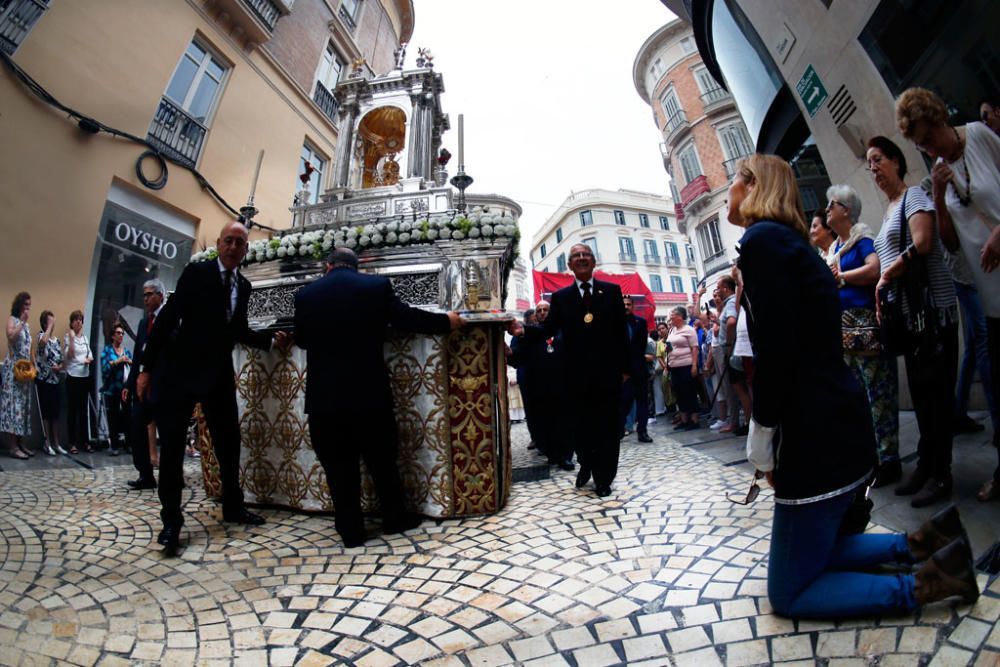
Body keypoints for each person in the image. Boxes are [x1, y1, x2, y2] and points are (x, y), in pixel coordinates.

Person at [732, 153, 978, 618]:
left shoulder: (762, 242)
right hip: (838, 423)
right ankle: (925, 541)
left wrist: (762, 437)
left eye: (734, 181)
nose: (728, 191)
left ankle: (926, 584)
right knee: (819, 552)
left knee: (789, 592)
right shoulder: (793, 244)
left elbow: (778, 353)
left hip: (814, 436)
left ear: (750, 185)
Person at [294, 248, 464, 547]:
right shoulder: (375, 287)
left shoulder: (306, 295)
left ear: (328, 266)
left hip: (325, 398)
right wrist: (445, 321)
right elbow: (406, 319)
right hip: (368, 392)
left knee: (338, 467)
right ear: (357, 266)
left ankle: (350, 530)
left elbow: (302, 339)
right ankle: (394, 518)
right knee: (381, 460)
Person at [136, 221, 289, 554]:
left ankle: (232, 507)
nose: (233, 247)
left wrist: (269, 340)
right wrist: (146, 368)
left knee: (229, 443)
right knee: (174, 449)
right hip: (181, 372)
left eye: (240, 243)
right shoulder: (197, 273)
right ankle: (171, 522)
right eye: (229, 241)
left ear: (246, 250)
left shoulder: (243, 287)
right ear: (220, 244)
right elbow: (166, 320)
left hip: (218, 374)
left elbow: (237, 329)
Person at [895, 88, 1000, 502]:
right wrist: (938, 196)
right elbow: (951, 245)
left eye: (928, 136)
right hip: (990, 293)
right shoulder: (939, 171)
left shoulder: (979, 135)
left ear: (939, 119)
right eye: (919, 144)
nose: (927, 147)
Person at [868, 135, 959, 507]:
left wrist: (886, 275)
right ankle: (926, 465)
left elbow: (922, 242)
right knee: (922, 398)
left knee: (936, 397)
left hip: (932, 314)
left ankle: (941, 474)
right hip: (911, 320)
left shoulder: (914, 197)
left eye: (877, 160)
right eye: (869, 163)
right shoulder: (890, 207)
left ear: (895, 160)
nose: (873, 168)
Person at [512, 243, 628, 498]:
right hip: (575, 376)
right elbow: (548, 329)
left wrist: (625, 368)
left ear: (594, 261)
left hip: (607, 374)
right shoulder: (562, 298)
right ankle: (586, 463)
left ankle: (604, 477)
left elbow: (621, 333)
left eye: (586, 254)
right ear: (570, 265)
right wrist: (523, 331)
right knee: (581, 427)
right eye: (576, 256)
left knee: (607, 428)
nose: (582, 258)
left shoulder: (611, 291)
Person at [824, 184, 901, 487]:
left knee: (877, 392)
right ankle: (873, 456)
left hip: (866, 325)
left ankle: (889, 459)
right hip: (844, 329)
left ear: (846, 210)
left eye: (832, 204)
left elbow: (874, 270)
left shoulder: (861, 239)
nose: (827, 209)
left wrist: (840, 276)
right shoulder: (835, 249)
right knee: (858, 396)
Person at [509, 301, 572, 468]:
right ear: (535, 315)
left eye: (546, 310)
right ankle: (552, 453)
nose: (543, 312)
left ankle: (566, 456)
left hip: (562, 384)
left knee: (564, 421)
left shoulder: (563, 330)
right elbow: (518, 357)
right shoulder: (529, 335)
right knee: (545, 421)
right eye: (539, 310)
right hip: (539, 386)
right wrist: (509, 353)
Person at [123, 279, 166, 490]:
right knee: (136, 428)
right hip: (142, 389)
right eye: (144, 295)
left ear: (161, 296)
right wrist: (129, 384)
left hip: (162, 387)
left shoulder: (169, 320)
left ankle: (172, 475)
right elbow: (138, 356)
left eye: (150, 294)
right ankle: (145, 474)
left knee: (168, 434)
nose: (146, 299)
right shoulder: (142, 323)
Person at [2, 292, 34, 459]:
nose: (28, 307)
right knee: (15, 408)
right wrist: (22, 322)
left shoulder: (26, 326)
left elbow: (29, 347)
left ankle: (22, 443)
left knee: (23, 408)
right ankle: (13, 446)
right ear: (19, 305)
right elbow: (11, 337)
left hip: (25, 370)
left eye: (30, 304)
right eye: (26, 304)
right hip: (13, 371)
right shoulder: (13, 320)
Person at [621, 295, 653, 443]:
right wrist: (623, 372)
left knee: (642, 403)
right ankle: (619, 429)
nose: (626, 306)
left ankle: (643, 431)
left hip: (639, 370)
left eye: (628, 304)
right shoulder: (613, 324)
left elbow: (639, 348)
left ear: (632, 306)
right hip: (623, 374)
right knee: (624, 402)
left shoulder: (641, 322)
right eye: (624, 304)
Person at [35, 309, 66, 456]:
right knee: (46, 413)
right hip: (44, 380)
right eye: (49, 320)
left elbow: (61, 361)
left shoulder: (57, 341)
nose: (53, 323)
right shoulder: (41, 336)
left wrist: (59, 367)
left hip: (55, 380)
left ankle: (56, 442)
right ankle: (47, 442)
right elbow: (42, 344)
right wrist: (48, 327)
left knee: (55, 413)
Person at [64, 310, 93, 455]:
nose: (78, 322)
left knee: (83, 411)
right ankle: (72, 442)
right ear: (72, 322)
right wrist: (71, 337)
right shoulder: (69, 337)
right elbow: (70, 355)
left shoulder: (85, 339)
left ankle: (85, 441)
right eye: (76, 319)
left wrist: (89, 360)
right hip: (72, 376)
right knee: (72, 411)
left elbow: (90, 354)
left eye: (80, 319)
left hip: (84, 377)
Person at [665, 306, 700, 431]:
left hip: (686, 364)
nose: (671, 317)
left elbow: (694, 348)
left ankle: (694, 419)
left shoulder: (689, 330)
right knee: (679, 392)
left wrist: (694, 365)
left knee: (689, 392)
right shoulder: (672, 331)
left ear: (680, 316)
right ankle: (684, 419)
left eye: (673, 314)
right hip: (674, 366)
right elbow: (669, 346)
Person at [100, 323, 131, 456]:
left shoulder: (126, 351)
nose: (121, 335)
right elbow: (105, 368)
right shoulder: (107, 351)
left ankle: (129, 444)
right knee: (112, 417)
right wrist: (118, 361)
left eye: (122, 333)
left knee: (127, 416)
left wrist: (129, 361)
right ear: (113, 336)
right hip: (112, 389)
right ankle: (114, 445)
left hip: (125, 389)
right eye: (118, 333)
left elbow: (132, 366)